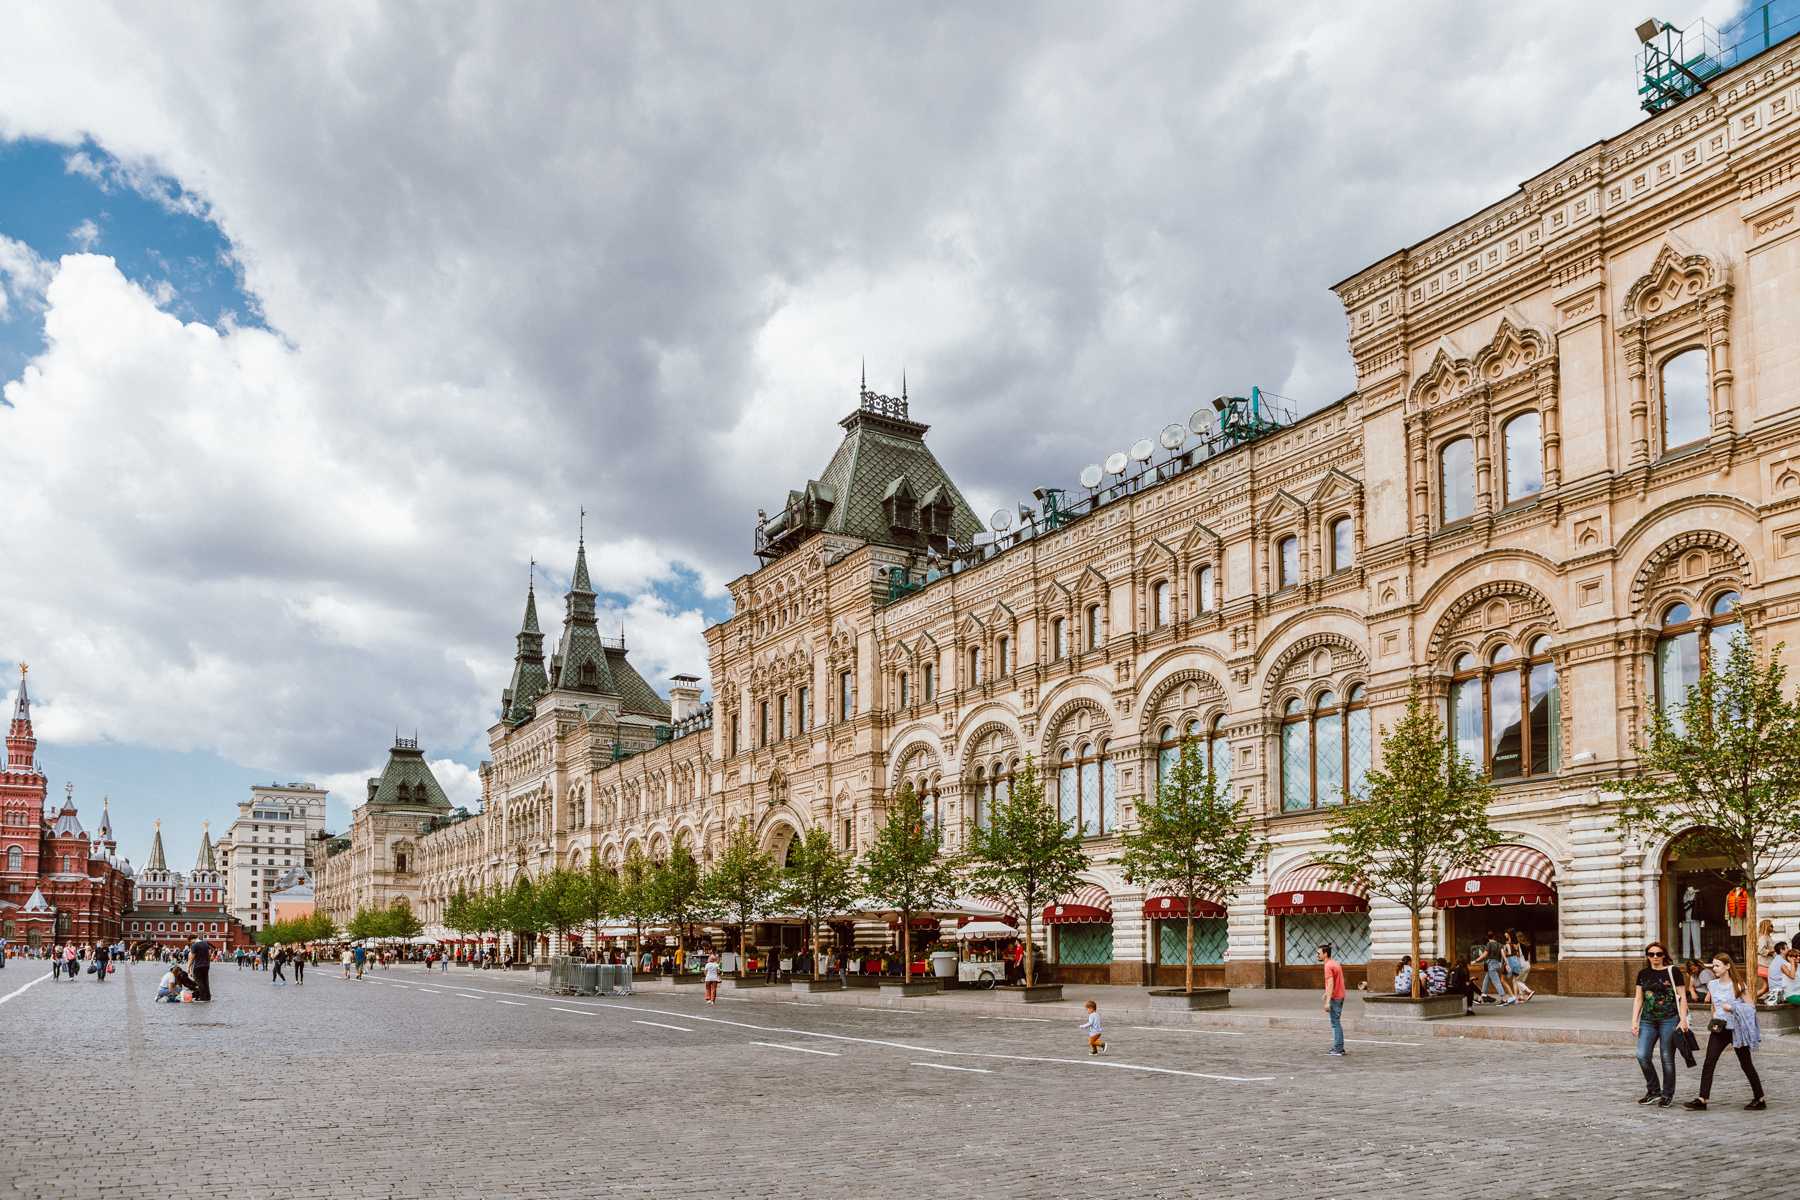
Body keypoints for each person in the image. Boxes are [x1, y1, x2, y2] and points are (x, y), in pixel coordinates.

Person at [1684, 951, 1765, 1111]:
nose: (1714, 968)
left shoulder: (1738, 985)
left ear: (1727, 966)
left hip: (1737, 1030)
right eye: (1713, 965)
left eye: (1717, 965)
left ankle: (1760, 1098)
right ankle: (1702, 1099)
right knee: (1709, 1062)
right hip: (1719, 1028)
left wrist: (1733, 1007)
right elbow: (1713, 1005)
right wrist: (1714, 1018)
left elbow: (1751, 1007)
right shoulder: (1712, 985)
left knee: (1746, 1064)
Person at [1632, 941, 1689, 1107]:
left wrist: (1683, 1019)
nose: (1655, 957)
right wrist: (1634, 1020)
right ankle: (1653, 1091)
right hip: (1648, 1020)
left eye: (1658, 954)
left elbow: (1682, 997)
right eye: (1651, 954)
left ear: (1664, 955)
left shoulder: (1673, 971)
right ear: (1647, 956)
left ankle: (1667, 1094)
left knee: (1667, 1058)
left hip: (1669, 1019)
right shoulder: (1643, 974)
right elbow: (1638, 998)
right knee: (1642, 1055)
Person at [1318, 942, 1346, 1056]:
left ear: (1325, 954)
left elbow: (1330, 983)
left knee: (1335, 1023)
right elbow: (1335, 982)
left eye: (1319, 953)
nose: (1317, 955)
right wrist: (1326, 993)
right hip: (1340, 995)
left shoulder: (1328, 966)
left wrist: (1327, 1001)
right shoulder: (1335, 963)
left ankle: (1338, 1048)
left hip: (1335, 997)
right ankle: (1340, 1047)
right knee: (1336, 1022)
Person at [1505, 929, 1534, 1002]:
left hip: (1522, 964)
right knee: (1521, 981)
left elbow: (1517, 956)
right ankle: (1521, 996)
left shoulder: (1518, 945)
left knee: (1517, 980)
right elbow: (1529, 956)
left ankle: (1529, 991)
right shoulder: (1527, 945)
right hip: (1528, 964)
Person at [189, 932, 213, 1002]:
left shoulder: (195, 945)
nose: (191, 943)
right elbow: (209, 954)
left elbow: (192, 958)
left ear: (192, 939)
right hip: (206, 966)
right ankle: (208, 997)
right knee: (206, 981)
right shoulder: (205, 943)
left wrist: (188, 967)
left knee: (199, 981)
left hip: (198, 966)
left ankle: (203, 997)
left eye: (190, 941)